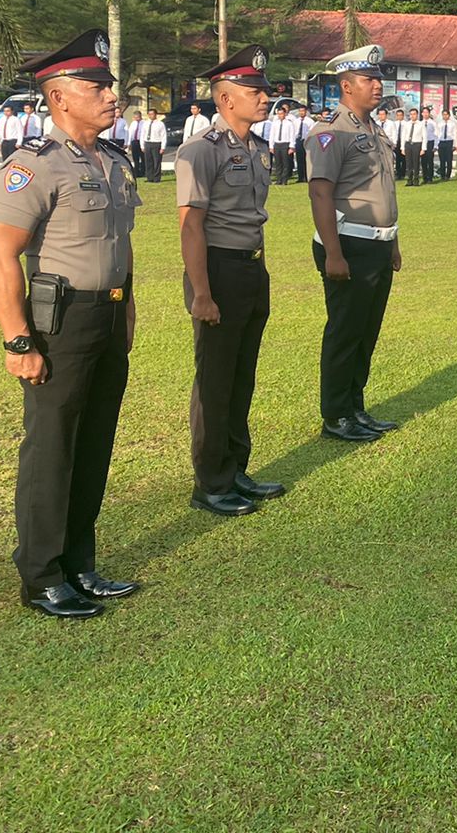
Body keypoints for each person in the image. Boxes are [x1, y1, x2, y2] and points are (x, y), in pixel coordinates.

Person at [0, 28, 142, 619]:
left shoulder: (113, 161)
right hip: (60, 321)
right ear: (58, 98)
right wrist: (18, 339)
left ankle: (80, 562)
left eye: (109, 84)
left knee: (95, 442)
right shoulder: (33, 166)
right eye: (95, 85)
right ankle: (42, 574)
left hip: (108, 314)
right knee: (52, 447)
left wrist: (126, 311)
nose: (110, 94)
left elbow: (119, 246)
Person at [175, 44, 285, 516]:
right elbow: (191, 225)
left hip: (249, 268)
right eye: (253, 90)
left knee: (242, 377)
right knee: (216, 380)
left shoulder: (256, 149)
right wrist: (202, 292)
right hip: (216, 270)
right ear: (224, 99)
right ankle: (211, 482)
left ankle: (236, 468)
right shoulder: (201, 150)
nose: (265, 98)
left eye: (264, 90)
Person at [306, 44, 401, 443]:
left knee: (367, 330)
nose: (377, 85)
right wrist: (333, 252)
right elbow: (320, 194)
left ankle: (356, 406)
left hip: (378, 244)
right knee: (345, 331)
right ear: (346, 86)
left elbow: (384, 191)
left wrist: (393, 242)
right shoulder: (331, 132)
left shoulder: (374, 130)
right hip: (347, 244)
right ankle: (336, 414)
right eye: (368, 79)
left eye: (378, 78)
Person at [140, 110, 167, 183]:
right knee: (148, 162)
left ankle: (156, 178)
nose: (150, 115)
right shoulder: (145, 123)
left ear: (156, 115)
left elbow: (163, 136)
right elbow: (142, 134)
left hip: (156, 143)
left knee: (157, 162)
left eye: (152, 114)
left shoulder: (160, 124)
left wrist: (163, 147)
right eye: (149, 114)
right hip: (148, 143)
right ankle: (149, 177)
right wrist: (142, 145)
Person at [402, 108, 424, 186]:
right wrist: (402, 148)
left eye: (414, 114)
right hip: (408, 144)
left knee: (416, 163)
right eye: (411, 114)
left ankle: (416, 180)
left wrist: (423, 148)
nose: (412, 116)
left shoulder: (421, 124)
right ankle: (409, 180)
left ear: (417, 115)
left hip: (416, 144)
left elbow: (424, 137)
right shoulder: (407, 124)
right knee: (408, 163)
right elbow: (403, 136)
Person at [294, 105, 313, 183]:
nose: (301, 112)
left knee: (306, 159)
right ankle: (300, 177)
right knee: (299, 159)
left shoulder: (310, 121)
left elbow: (311, 132)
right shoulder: (296, 121)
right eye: (300, 111)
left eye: (303, 111)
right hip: (298, 140)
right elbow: (294, 132)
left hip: (306, 141)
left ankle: (306, 176)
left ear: (306, 112)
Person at [438, 108, 457, 183]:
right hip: (441, 141)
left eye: (446, 114)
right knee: (442, 160)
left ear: (449, 115)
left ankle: (448, 175)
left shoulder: (452, 124)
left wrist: (455, 145)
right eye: (443, 115)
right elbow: (437, 133)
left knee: (449, 160)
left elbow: (455, 134)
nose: (445, 116)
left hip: (449, 142)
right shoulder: (439, 123)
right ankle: (442, 175)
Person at [421, 106, 438, 184]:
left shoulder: (433, 123)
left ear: (429, 113)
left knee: (430, 161)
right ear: (422, 114)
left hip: (430, 143)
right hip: (422, 144)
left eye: (427, 112)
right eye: (424, 112)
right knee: (423, 161)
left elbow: (436, 135)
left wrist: (435, 146)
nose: (425, 114)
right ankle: (424, 178)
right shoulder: (420, 123)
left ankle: (430, 178)